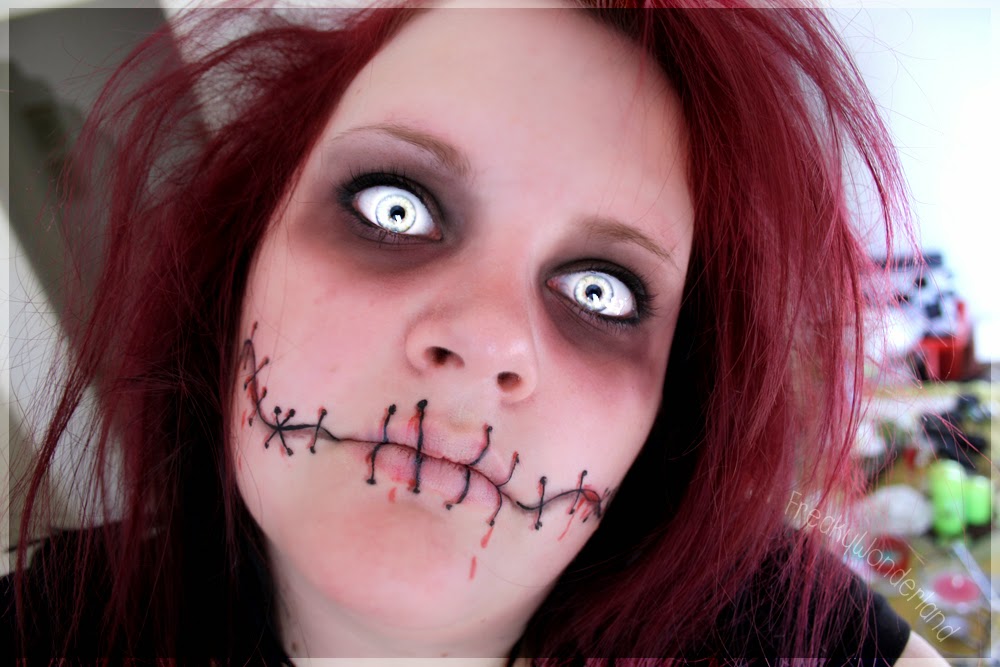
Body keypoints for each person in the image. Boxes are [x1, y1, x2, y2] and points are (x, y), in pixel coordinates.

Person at [3, 1, 952, 663]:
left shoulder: (775, 623)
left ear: (666, 413)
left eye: (601, 291)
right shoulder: (61, 628)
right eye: (395, 207)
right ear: (245, 253)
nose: (489, 338)